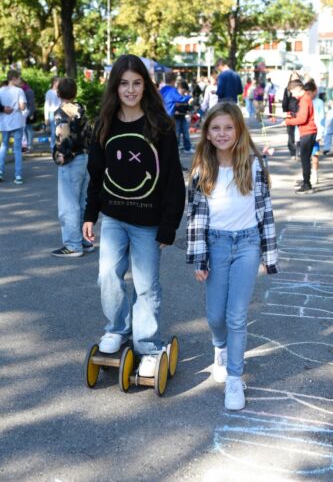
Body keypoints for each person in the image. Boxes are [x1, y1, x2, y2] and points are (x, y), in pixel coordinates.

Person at [82, 54, 185, 377]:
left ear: (145, 86)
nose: (130, 90)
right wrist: (90, 215)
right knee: (107, 276)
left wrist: (168, 226)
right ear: (115, 86)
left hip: (148, 222)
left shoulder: (161, 126)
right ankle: (116, 329)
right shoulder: (104, 126)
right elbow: (96, 175)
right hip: (113, 217)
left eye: (137, 83)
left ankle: (148, 344)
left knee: (146, 286)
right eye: (124, 83)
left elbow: (172, 181)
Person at [186, 102, 279, 410]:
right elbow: (196, 217)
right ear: (207, 133)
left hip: (248, 245)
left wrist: (269, 253)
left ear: (238, 129)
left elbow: (265, 211)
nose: (222, 133)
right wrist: (200, 258)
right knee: (215, 315)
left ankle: (235, 379)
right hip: (216, 245)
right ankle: (220, 348)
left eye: (228, 127)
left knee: (236, 316)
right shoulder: (202, 168)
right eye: (216, 128)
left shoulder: (253, 165)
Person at [51, 77, 93, 258]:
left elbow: (63, 137)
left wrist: (60, 156)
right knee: (82, 201)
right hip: (85, 157)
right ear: (75, 92)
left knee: (68, 204)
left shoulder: (61, 112)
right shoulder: (80, 109)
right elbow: (90, 133)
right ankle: (85, 240)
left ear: (59, 93)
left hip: (71, 159)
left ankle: (73, 244)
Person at [285, 79, 317, 194]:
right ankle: (306, 181)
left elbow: (302, 119)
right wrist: (289, 115)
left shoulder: (304, 100)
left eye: (292, 92)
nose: (292, 95)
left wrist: (288, 122)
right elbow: (301, 115)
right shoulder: (304, 99)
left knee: (305, 160)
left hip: (308, 133)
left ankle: (307, 185)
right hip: (307, 132)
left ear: (298, 89)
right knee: (305, 159)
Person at [0, 70, 27, 184]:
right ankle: (18, 175)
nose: (20, 81)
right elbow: (22, 107)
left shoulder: (0, 90)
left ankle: (0, 171)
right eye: (19, 78)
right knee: (17, 149)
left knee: (4, 146)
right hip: (17, 122)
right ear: (14, 79)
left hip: (4, 123)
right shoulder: (19, 90)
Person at [304, 80, 325, 186]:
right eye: (305, 93)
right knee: (306, 156)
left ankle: (315, 174)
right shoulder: (303, 102)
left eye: (309, 93)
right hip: (305, 133)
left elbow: (322, 120)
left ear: (314, 92)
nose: (307, 95)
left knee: (315, 155)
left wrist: (320, 133)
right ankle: (308, 173)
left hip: (315, 133)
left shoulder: (319, 103)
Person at [282, 72, 300, 158]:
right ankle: (293, 152)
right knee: (291, 134)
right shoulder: (287, 89)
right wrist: (285, 112)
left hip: (300, 113)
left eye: (297, 78)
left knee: (301, 133)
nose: (295, 80)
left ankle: (300, 151)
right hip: (290, 113)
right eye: (293, 78)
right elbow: (285, 102)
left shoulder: (302, 89)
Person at [174, 80, 194, 153]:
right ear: (180, 88)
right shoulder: (174, 96)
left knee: (186, 133)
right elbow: (170, 106)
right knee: (177, 134)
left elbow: (187, 106)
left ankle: (187, 148)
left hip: (182, 117)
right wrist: (174, 111)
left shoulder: (184, 97)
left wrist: (190, 109)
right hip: (175, 118)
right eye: (183, 90)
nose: (184, 92)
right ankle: (176, 149)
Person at [44, 76, 61, 152]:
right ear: (54, 82)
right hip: (52, 113)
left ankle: (59, 146)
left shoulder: (61, 91)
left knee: (60, 131)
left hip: (60, 112)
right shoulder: (49, 92)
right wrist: (46, 117)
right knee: (54, 131)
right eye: (59, 82)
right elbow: (47, 104)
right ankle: (52, 147)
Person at [19, 78, 36, 153]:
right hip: (25, 113)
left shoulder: (28, 91)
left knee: (29, 130)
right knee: (26, 129)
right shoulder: (23, 90)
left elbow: (31, 103)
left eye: (19, 84)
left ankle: (29, 145)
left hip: (28, 112)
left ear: (22, 83)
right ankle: (27, 145)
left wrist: (31, 113)